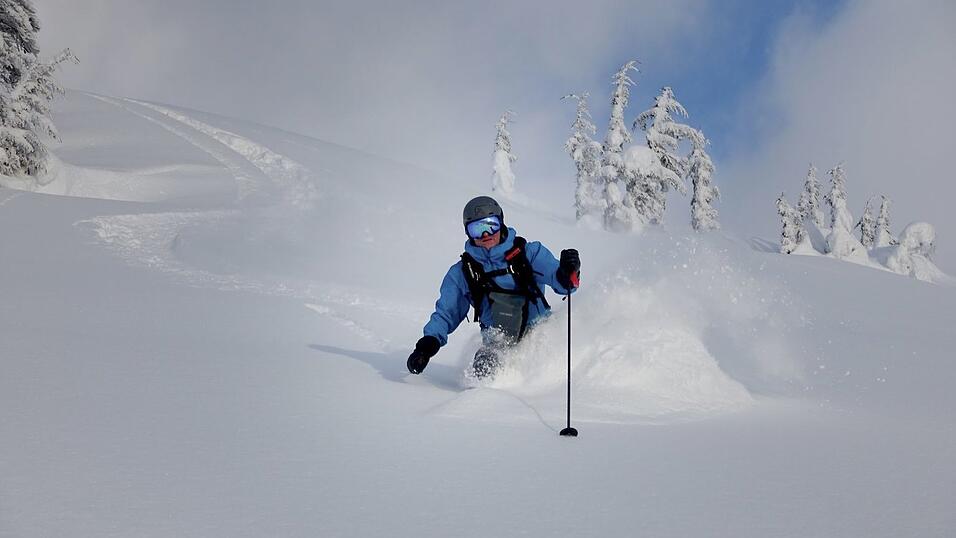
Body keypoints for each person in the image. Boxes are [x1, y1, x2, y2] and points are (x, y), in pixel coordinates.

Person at [406, 196, 580, 378]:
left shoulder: (529, 254)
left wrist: (567, 271)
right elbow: (446, 313)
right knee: (484, 369)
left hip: (540, 333)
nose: (485, 234)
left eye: (491, 225)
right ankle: (488, 402)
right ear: (467, 232)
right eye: (477, 229)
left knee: (550, 370)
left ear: (501, 222)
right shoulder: (464, 272)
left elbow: (565, 285)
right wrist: (427, 345)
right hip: (497, 343)